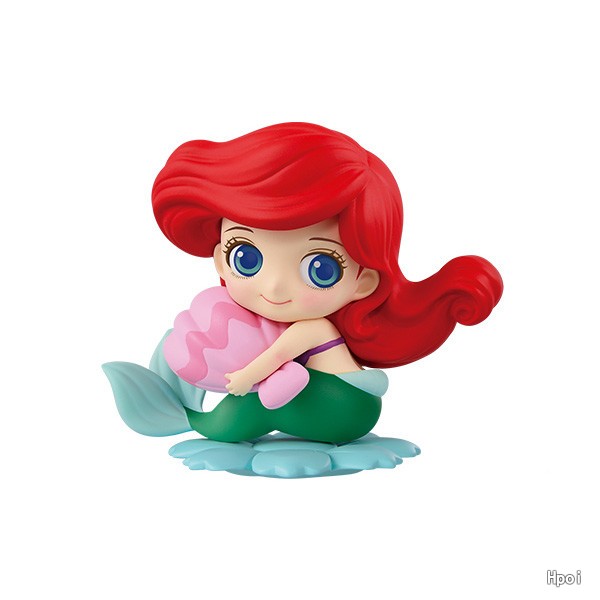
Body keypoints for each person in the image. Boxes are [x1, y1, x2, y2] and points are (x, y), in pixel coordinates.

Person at [104, 122, 502, 444]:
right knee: (278, 387)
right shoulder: (280, 322)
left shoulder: (313, 327)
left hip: (344, 407)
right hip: (331, 402)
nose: (275, 288)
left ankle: (202, 421)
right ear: (220, 260)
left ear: (363, 281)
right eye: (246, 257)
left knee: (261, 399)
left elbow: (273, 358)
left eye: (321, 268)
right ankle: (207, 416)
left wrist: (244, 379)